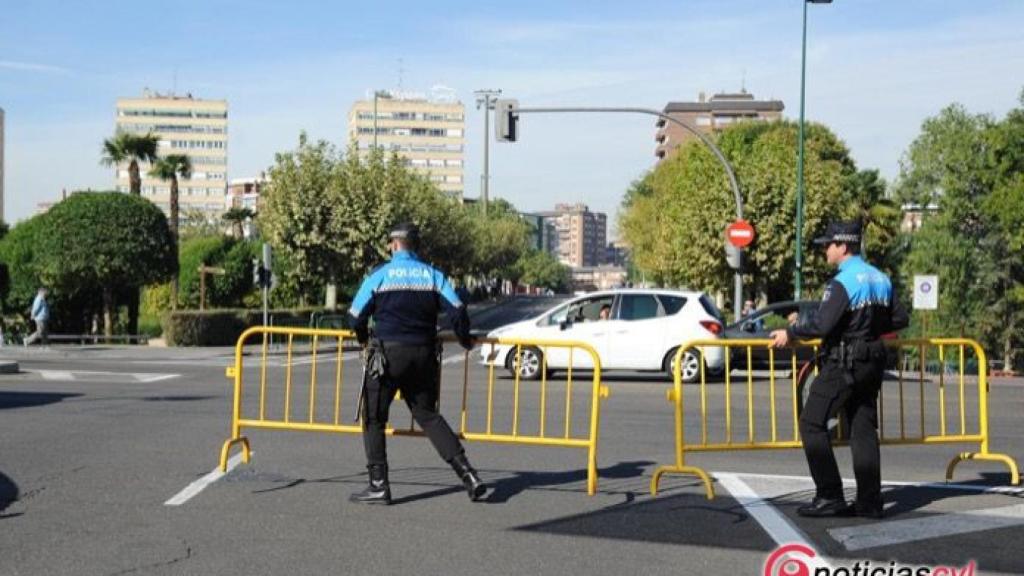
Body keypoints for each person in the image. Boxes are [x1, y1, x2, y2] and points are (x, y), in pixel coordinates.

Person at [769, 220, 908, 518]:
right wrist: (868, 328)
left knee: (811, 422)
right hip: (872, 361)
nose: (824, 251)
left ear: (843, 246)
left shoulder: (843, 282)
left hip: (844, 362)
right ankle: (869, 502)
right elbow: (899, 319)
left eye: (827, 246)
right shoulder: (881, 277)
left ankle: (830, 495)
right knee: (862, 428)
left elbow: (822, 323)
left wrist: (791, 332)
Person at [348, 222, 487, 505]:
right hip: (424, 355)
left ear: (394, 244)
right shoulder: (433, 275)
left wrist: (364, 339)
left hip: (387, 356)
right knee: (427, 415)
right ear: (416, 245)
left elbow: (355, 317)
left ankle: (378, 485)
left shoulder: (379, 276)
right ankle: (469, 475)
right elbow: (458, 311)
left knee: (374, 418)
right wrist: (464, 340)